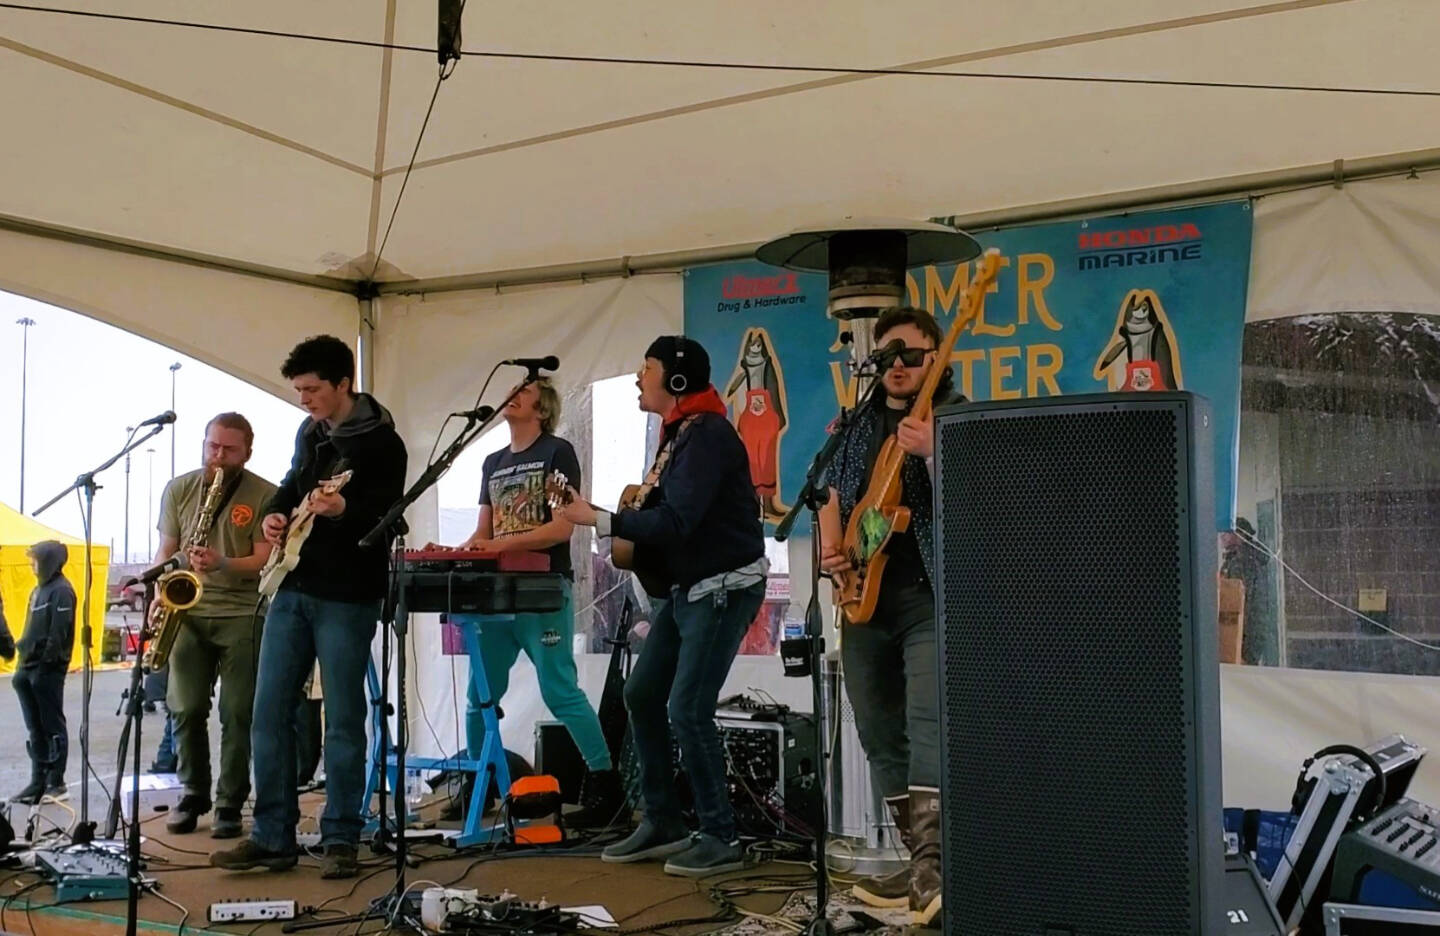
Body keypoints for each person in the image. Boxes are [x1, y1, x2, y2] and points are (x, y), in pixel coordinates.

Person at [559, 336, 766, 877]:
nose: (636, 376)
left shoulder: (709, 437)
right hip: (691, 588)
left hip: (723, 587)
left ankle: (721, 835)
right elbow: (668, 519)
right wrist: (612, 518)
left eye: (645, 367)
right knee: (642, 693)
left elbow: (677, 523)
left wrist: (601, 520)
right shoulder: (683, 434)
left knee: (687, 708)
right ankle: (665, 819)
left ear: (675, 379)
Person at [211, 335, 407, 879]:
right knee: (267, 712)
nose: (304, 400)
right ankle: (272, 836)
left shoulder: (384, 445)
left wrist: (345, 507)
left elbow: (386, 511)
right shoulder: (310, 432)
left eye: (313, 389)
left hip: (348, 593)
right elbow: (293, 483)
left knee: (344, 716)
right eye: (298, 390)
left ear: (344, 384)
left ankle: (341, 834)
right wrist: (276, 514)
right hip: (293, 585)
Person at [441, 378, 623, 827]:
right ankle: (478, 785)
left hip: (542, 588)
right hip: (498, 591)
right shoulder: (492, 461)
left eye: (523, 391)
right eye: (511, 389)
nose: (511, 395)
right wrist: (458, 552)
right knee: (478, 695)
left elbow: (563, 528)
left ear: (542, 409)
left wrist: (497, 547)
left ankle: (605, 785)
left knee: (560, 690)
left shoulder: (558, 451)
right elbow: (483, 534)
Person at [818, 306, 949, 929]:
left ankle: (935, 871)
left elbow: (987, 492)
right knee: (876, 728)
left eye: (912, 356)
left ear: (934, 360)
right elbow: (829, 495)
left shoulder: (955, 416)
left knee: (928, 724)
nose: (898, 366)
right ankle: (920, 865)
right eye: (888, 355)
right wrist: (830, 551)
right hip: (862, 597)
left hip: (929, 596)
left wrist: (933, 454)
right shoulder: (854, 424)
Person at [154, 412, 277, 837]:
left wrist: (222, 561)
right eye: (212, 447)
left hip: (242, 611)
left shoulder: (265, 493)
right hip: (188, 612)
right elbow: (166, 549)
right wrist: (159, 587)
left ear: (248, 452)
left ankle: (230, 801)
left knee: (238, 711)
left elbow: (264, 559)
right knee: (184, 708)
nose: (218, 457)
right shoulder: (181, 488)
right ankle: (193, 791)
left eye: (229, 450)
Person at [10, 541, 76, 804]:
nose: (31, 564)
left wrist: (46, 665)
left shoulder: (62, 591)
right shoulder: (38, 590)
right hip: (27, 668)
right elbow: (30, 628)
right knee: (34, 727)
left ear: (49, 560)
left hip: (47, 672)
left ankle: (56, 782)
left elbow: (58, 635)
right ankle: (37, 780)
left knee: (52, 725)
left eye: (35, 559)